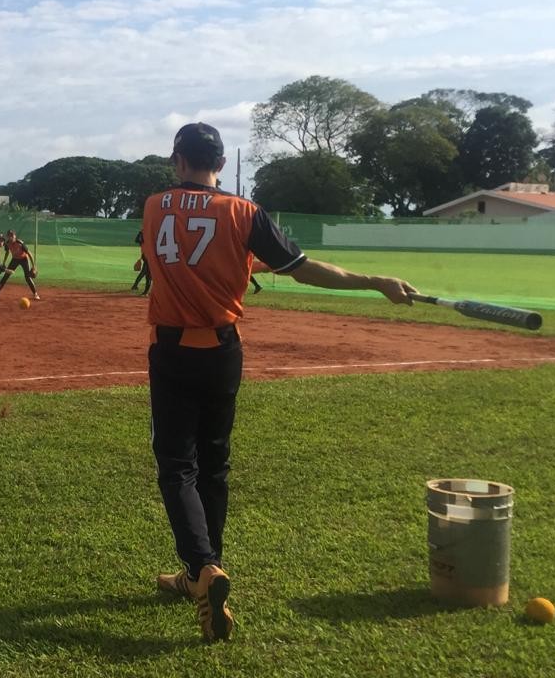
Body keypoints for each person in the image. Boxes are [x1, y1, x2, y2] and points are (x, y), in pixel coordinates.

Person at [143, 123, 416, 643]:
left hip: (172, 349)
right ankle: (206, 567)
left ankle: (202, 569)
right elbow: (302, 267)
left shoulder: (154, 204)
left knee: (177, 465)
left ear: (179, 161)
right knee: (214, 464)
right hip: (223, 351)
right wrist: (374, 281)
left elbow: (176, 248)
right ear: (220, 163)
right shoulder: (244, 213)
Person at [0, 229, 40, 300]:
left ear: (15, 236)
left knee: (27, 277)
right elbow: (7, 252)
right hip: (15, 260)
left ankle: (35, 294)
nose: (11, 237)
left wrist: (33, 266)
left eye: (12, 236)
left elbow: (29, 254)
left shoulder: (20, 243)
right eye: (9, 236)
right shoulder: (7, 243)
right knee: (6, 275)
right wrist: (4, 262)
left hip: (24, 259)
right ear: (7, 237)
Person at [132, 228, 152, 294]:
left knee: (145, 273)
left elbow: (137, 240)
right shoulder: (147, 238)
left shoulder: (142, 240)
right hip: (148, 258)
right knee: (148, 275)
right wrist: (141, 232)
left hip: (146, 257)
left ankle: (135, 286)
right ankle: (145, 292)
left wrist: (141, 232)